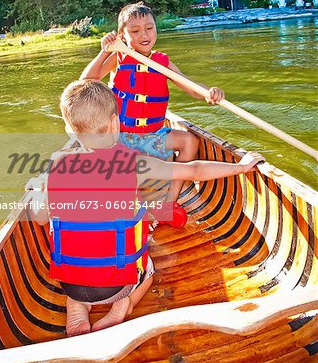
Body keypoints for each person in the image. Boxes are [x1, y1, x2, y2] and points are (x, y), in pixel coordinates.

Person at [34, 80, 264, 338]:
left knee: (78, 273)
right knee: (148, 271)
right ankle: (124, 305)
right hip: (115, 286)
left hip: (71, 283)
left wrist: (37, 193)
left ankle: (78, 306)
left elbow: (41, 218)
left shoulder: (54, 167)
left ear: (70, 131)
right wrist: (240, 167)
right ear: (114, 124)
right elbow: (194, 170)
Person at [80, 2, 225, 227]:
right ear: (122, 35)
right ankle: (127, 206)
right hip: (122, 139)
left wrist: (209, 93)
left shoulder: (163, 62)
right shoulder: (118, 58)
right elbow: (85, 83)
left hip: (154, 135)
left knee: (189, 141)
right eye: (135, 31)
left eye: (149, 28)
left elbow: (190, 87)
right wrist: (103, 52)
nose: (144, 35)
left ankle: (169, 203)